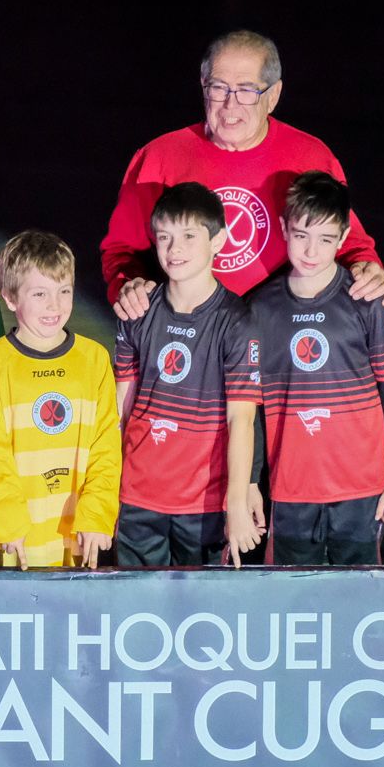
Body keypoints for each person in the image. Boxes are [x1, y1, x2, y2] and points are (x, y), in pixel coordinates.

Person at [101, 29, 384, 319]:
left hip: (280, 329)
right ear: (203, 86)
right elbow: (122, 250)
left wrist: (365, 267)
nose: (231, 104)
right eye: (218, 87)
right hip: (188, 330)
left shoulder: (310, 157)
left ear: (273, 95)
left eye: (247, 90)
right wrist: (128, 284)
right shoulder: (158, 158)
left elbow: (348, 240)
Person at [246, 172, 384, 564]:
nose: (310, 250)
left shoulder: (365, 299)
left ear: (342, 238)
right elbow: (250, 408)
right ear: (285, 228)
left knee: (357, 599)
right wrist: (252, 481)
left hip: (361, 489)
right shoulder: (260, 309)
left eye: (325, 239)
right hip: (291, 489)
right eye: (302, 234)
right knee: (291, 600)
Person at [112, 183, 264, 567]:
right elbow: (120, 409)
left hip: (204, 505)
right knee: (139, 614)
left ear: (219, 241)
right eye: (164, 237)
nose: (174, 249)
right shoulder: (137, 311)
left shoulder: (237, 322)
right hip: (136, 497)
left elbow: (241, 420)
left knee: (200, 617)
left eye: (188, 236)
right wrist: (107, 488)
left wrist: (237, 501)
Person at [0, 231, 121, 569]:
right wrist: (7, 522)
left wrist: (96, 516)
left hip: (80, 541)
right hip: (15, 545)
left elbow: (106, 448)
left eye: (64, 291)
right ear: (9, 297)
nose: (55, 305)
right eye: (40, 294)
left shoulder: (94, 359)